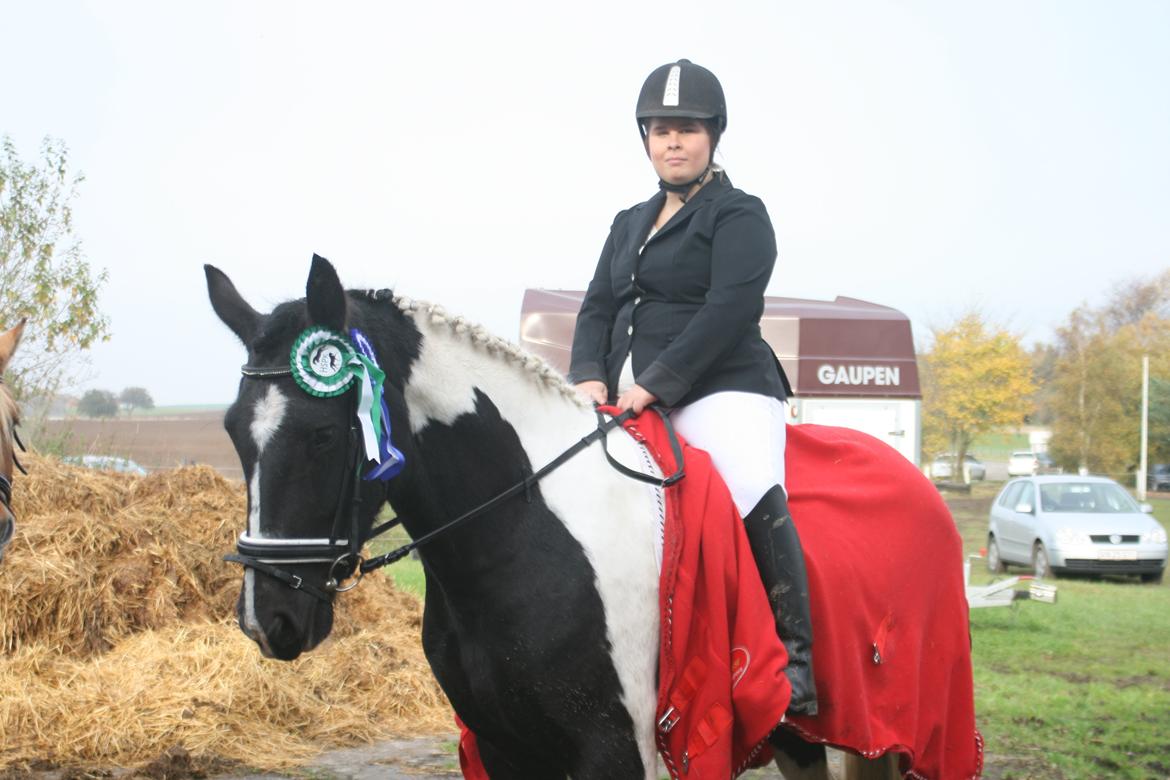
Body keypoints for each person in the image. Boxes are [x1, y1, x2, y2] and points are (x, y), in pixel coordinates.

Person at [568, 59, 817, 716]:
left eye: (687, 129)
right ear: (645, 139)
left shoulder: (739, 214)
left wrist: (654, 386)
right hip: (620, 396)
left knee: (742, 481)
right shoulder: (627, 222)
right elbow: (596, 307)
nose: (672, 141)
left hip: (722, 386)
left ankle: (797, 661)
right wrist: (589, 376)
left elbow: (728, 310)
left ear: (713, 135)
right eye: (659, 130)